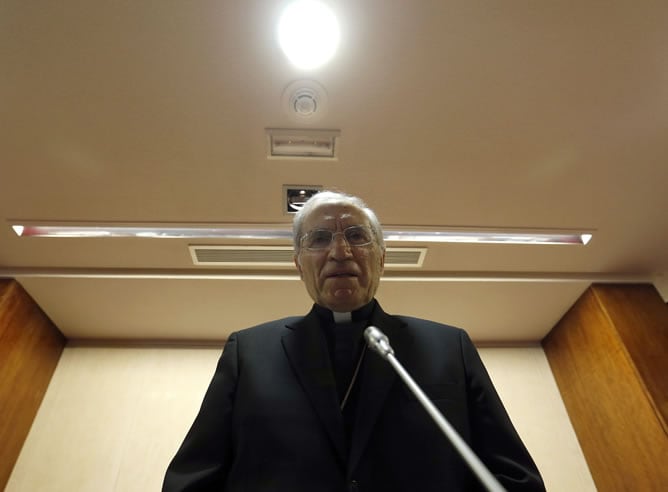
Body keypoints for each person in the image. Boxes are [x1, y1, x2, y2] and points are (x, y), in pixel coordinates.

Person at [163, 191, 546, 491]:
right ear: (299, 262)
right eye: (319, 239)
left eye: (357, 236)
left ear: (382, 257)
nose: (340, 251)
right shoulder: (248, 352)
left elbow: (512, 477)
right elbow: (193, 479)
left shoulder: (449, 347)